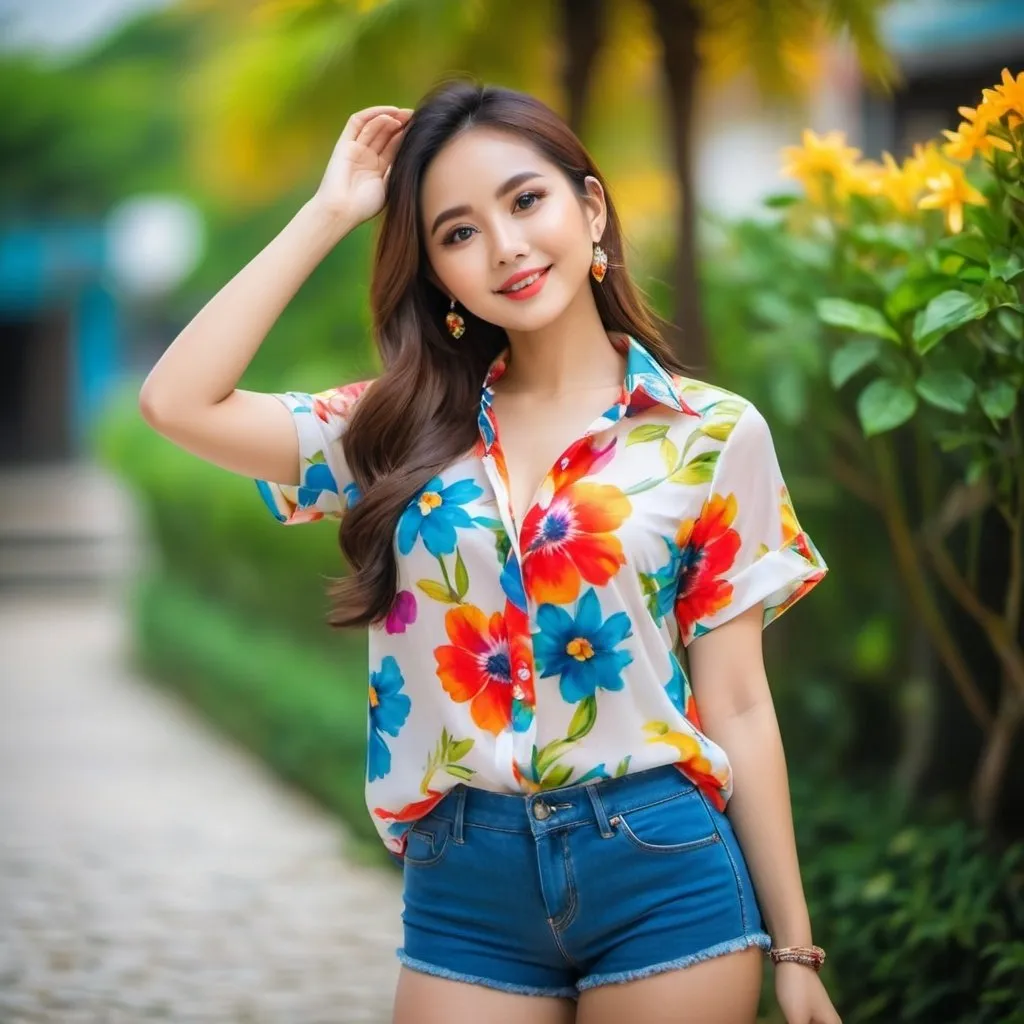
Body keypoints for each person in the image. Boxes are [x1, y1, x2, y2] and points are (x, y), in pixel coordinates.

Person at [139, 79, 840, 1024]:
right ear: (436, 274)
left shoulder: (709, 434)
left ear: (590, 208)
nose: (505, 246)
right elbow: (177, 403)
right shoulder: (394, 431)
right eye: (457, 232)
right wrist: (328, 211)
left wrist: (794, 948)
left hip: (664, 867)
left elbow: (742, 703)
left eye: (526, 200)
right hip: (463, 885)